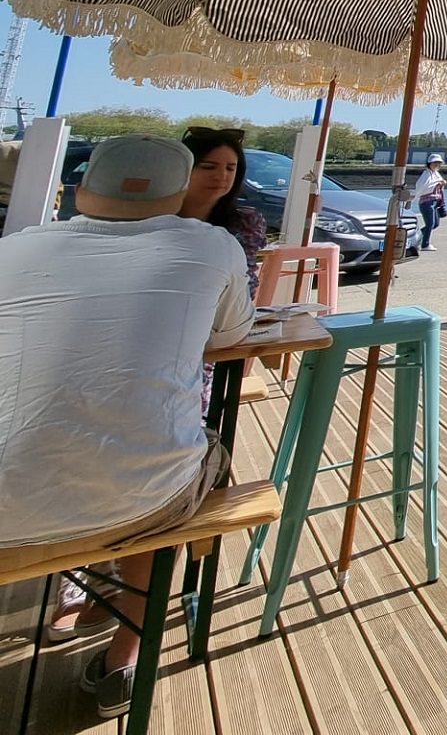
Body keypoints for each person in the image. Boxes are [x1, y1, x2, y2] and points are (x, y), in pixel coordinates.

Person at [0, 136, 253, 718]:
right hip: (141, 496)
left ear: (81, 188)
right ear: (181, 187)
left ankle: (91, 591)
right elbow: (232, 337)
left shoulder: (18, 247)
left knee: (124, 447)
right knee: (172, 451)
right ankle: (124, 654)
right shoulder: (213, 246)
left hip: (11, 497)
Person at [180, 125, 269, 297]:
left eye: (230, 168)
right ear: (181, 169)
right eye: (208, 167)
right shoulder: (151, 217)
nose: (221, 176)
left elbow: (246, 284)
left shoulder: (245, 221)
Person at [413, 152, 447, 250]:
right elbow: (420, 187)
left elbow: (437, 183)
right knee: (430, 224)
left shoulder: (435, 173)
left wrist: (442, 183)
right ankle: (425, 244)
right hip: (427, 202)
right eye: (435, 163)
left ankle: (415, 237)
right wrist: (414, 198)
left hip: (435, 202)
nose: (437, 165)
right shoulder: (426, 174)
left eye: (439, 163)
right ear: (429, 163)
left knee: (435, 224)